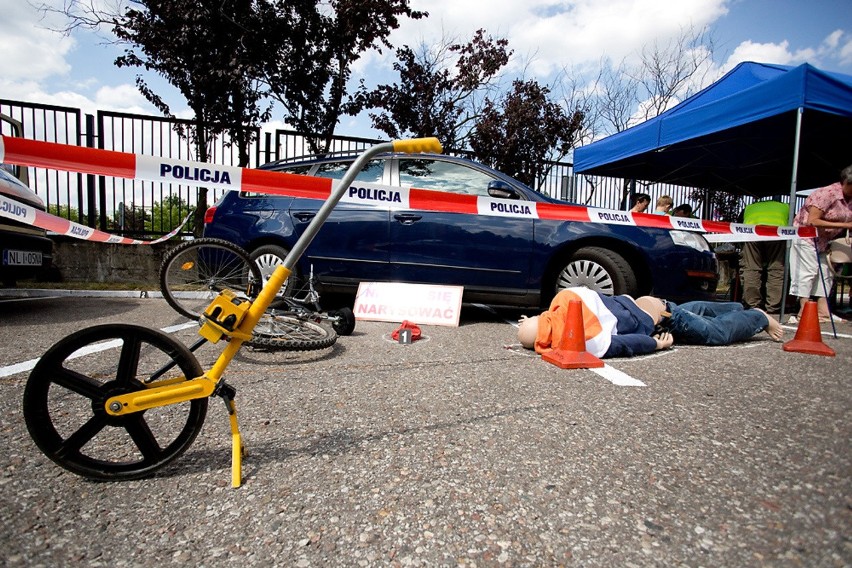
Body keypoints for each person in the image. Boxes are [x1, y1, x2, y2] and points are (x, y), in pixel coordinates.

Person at [517, 287, 783, 359]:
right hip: (652, 305)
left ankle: (757, 316)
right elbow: (545, 320)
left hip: (662, 319)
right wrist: (532, 321)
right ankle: (736, 307)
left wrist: (654, 345)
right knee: (693, 312)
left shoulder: (586, 337)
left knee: (717, 333)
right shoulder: (567, 299)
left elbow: (623, 344)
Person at [788, 164, 852, 323]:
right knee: (807, 272)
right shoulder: (826, 194)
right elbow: (812, 221)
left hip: (826, 241)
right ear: (846, 183)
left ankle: (823, 312)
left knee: (826, 273)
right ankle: (803, 312)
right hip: (806, 237)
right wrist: (845, 226)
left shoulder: (850, 199)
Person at [739, 200, 789, 314]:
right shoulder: (786, 207)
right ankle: (773, 307)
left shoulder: (749, 207)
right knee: (776, 269)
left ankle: (752, 305)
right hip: (777, 233)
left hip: (751, 233)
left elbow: (738, 226)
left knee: (751, 268)